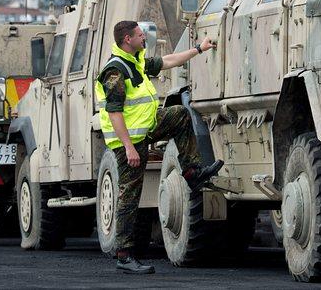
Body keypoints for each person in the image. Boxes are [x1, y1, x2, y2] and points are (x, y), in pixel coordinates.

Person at [95, 21, 224, 274]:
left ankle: (191, 173)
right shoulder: (115, 71)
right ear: (127, 40)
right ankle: (124, 255)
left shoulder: (135, 61)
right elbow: (115, 114)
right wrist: (129, 148)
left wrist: (199, 48)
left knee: (180, 115)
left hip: (147, 127)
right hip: (129, 141)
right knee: (130, 196)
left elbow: (168, 61)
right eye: (140, 36)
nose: (144, 38)